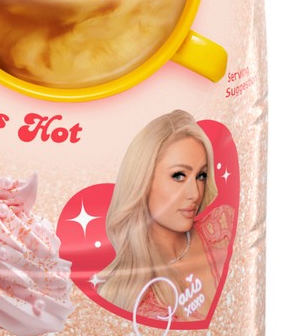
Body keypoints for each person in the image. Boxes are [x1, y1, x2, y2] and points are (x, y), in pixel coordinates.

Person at [98, 110, 233, 321]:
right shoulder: (139, 299)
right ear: (142, 181)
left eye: (201, 176)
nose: (195, 193)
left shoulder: (223, 227)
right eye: (179, 176)